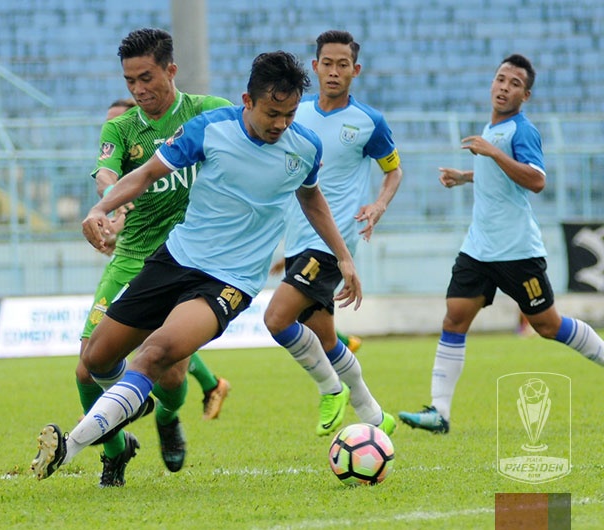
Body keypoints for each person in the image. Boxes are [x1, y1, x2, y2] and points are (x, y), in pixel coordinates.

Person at [30, 50, 362, 482]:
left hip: (229, 282)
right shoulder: (211, 129)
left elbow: (311, 197)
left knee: (154, 354)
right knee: (96, 360)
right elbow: (146, 174)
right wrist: (101, 208)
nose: (281, 124)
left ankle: (69, 446)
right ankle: (135, 404)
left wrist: (344, 256)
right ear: (247, 100)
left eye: (290, 113)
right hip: (175, 259)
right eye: (272, 113)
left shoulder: (304, 147)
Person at [398, 54, 604, 434]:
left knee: (547, 325)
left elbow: (536, 180)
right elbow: (500, 174)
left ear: (525, 95)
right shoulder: (491, 129)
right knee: (454, 319)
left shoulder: (520, 130)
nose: (504, 87)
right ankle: (439, 413)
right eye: (500, 79)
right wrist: (467, 176)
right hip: (479, 248)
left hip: (517, 252)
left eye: (513, 84)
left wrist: (492, 153)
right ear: (492, 83)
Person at [74, 28, 233, 488]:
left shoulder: (208, 112)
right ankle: (116, 449)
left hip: (191, 261)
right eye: (129, 82)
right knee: (87, 366)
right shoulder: (122, 129)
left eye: (146, 78)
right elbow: (107, 172)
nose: (139, 90)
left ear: (170, 70)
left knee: (170, 371)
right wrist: (108, 204)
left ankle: (166, 415)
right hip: (133, 259)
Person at [265, 30, 402, 437]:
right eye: (328, 63)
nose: (335, 71)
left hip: (332, 243)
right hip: (297, 240)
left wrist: (378, 205)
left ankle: (330, 389)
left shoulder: (369, 122)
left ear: (355, 70)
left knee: (275, 320)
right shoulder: (295, 113)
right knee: (325, 339)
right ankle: (377, 417)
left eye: (343, 64)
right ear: (315, 66)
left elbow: (393, 171)